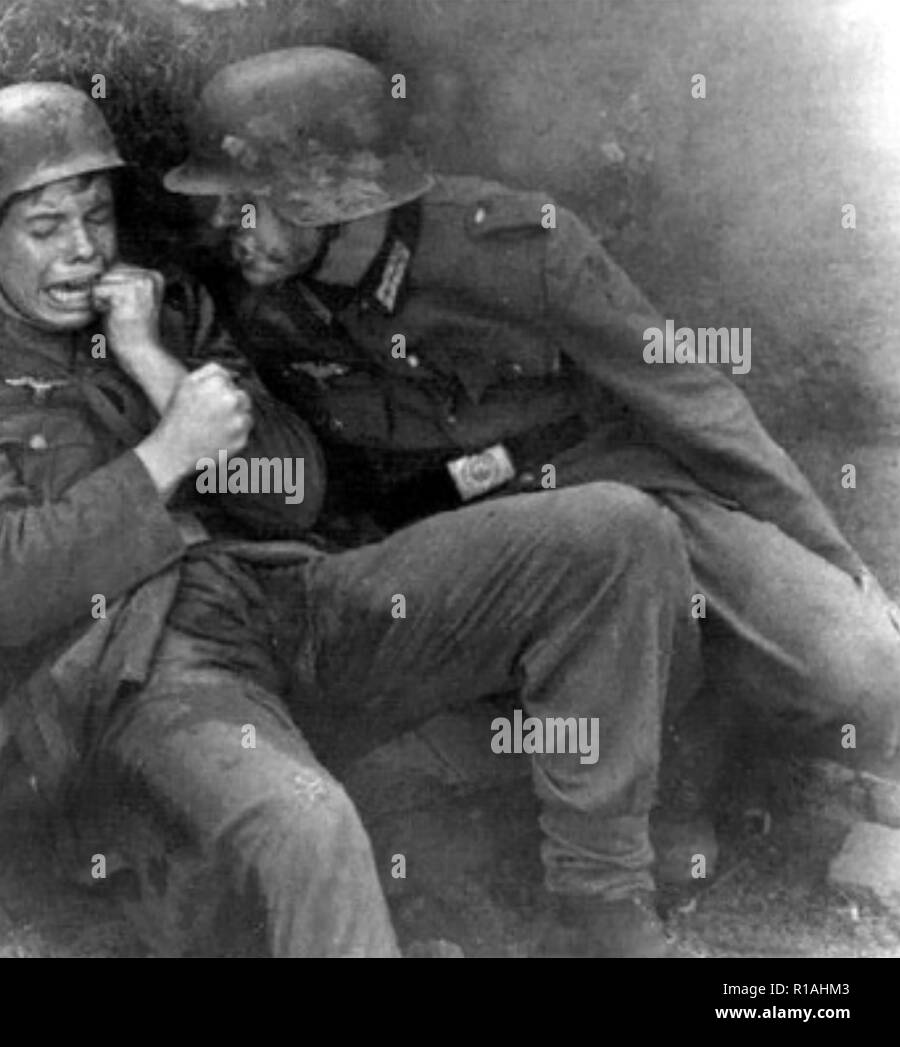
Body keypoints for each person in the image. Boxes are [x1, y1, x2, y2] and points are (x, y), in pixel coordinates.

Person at [0, 81, 698, 957]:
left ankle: (602, 910)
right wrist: (166, 454)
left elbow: (295, 491)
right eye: (44, 228)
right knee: (313, 827)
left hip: (291, 600)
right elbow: (0, 588)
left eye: (97, 217)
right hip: (141, 669)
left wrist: (155, 364)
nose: (81, 249)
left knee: (615, 531)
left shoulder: (167, 312)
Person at [163, 46, 900, 885]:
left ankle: (714, 739)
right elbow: (291, 484)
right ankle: (661, 777)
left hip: (622, 485)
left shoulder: (516, 245)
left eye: (248, 205)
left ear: (328, 198)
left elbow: (693, 400)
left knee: (861, 668)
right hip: (477, 548)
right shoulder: (257, 306)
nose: (226, 229)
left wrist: (835, 557)